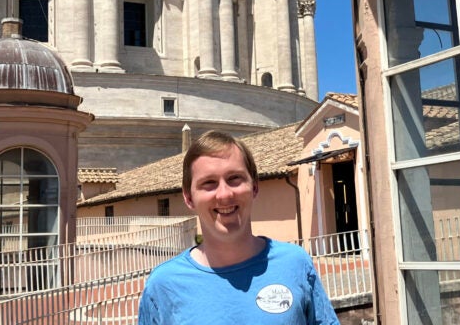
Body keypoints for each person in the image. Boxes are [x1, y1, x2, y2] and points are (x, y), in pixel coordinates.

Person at [138, 131, 339, 324]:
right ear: (189, 198)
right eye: (209, 183)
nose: (224, 195)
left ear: (254, 187)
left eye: (234, 179)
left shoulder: (296, 264)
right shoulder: (163, 286)